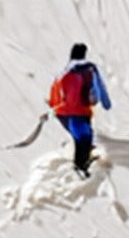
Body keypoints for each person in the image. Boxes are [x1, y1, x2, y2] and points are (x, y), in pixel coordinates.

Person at [47, 42, 111, 176]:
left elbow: (54, 94)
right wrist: (106, 103)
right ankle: (81, 168)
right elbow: (99, 87)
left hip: (62, 114)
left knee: (82, 137)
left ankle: (82, 162)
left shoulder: (63, 72)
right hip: (80, 112)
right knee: (84, 138)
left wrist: (53, 108)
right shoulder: (90, 69)